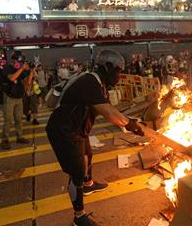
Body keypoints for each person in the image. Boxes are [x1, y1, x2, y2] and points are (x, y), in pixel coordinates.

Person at [45, 50, 144, 226]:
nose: (119, 76)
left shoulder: (98, 83)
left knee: (87, 155)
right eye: (117, 71)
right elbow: (107, 111)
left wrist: (129, 120)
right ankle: (79, 216)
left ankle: (88, 184)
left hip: (77, 129)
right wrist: (129, 124)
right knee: (76, 171)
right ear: (107, 67)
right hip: (63, 131)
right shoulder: (90, 81)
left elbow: (108, 108)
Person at [0, 51, 32, 149]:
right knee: (8, 120)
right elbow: (12, 78)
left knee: (19, 119)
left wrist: (30, 71)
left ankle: (19, 137)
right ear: (13, 61)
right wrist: (22, 69)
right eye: (19, 62)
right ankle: (5, 140)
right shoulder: (7, 68)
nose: (19, 64)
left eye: (21, 62)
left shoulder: (21, 69)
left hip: (19, 98)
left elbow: (28, 82)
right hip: (9, 98)